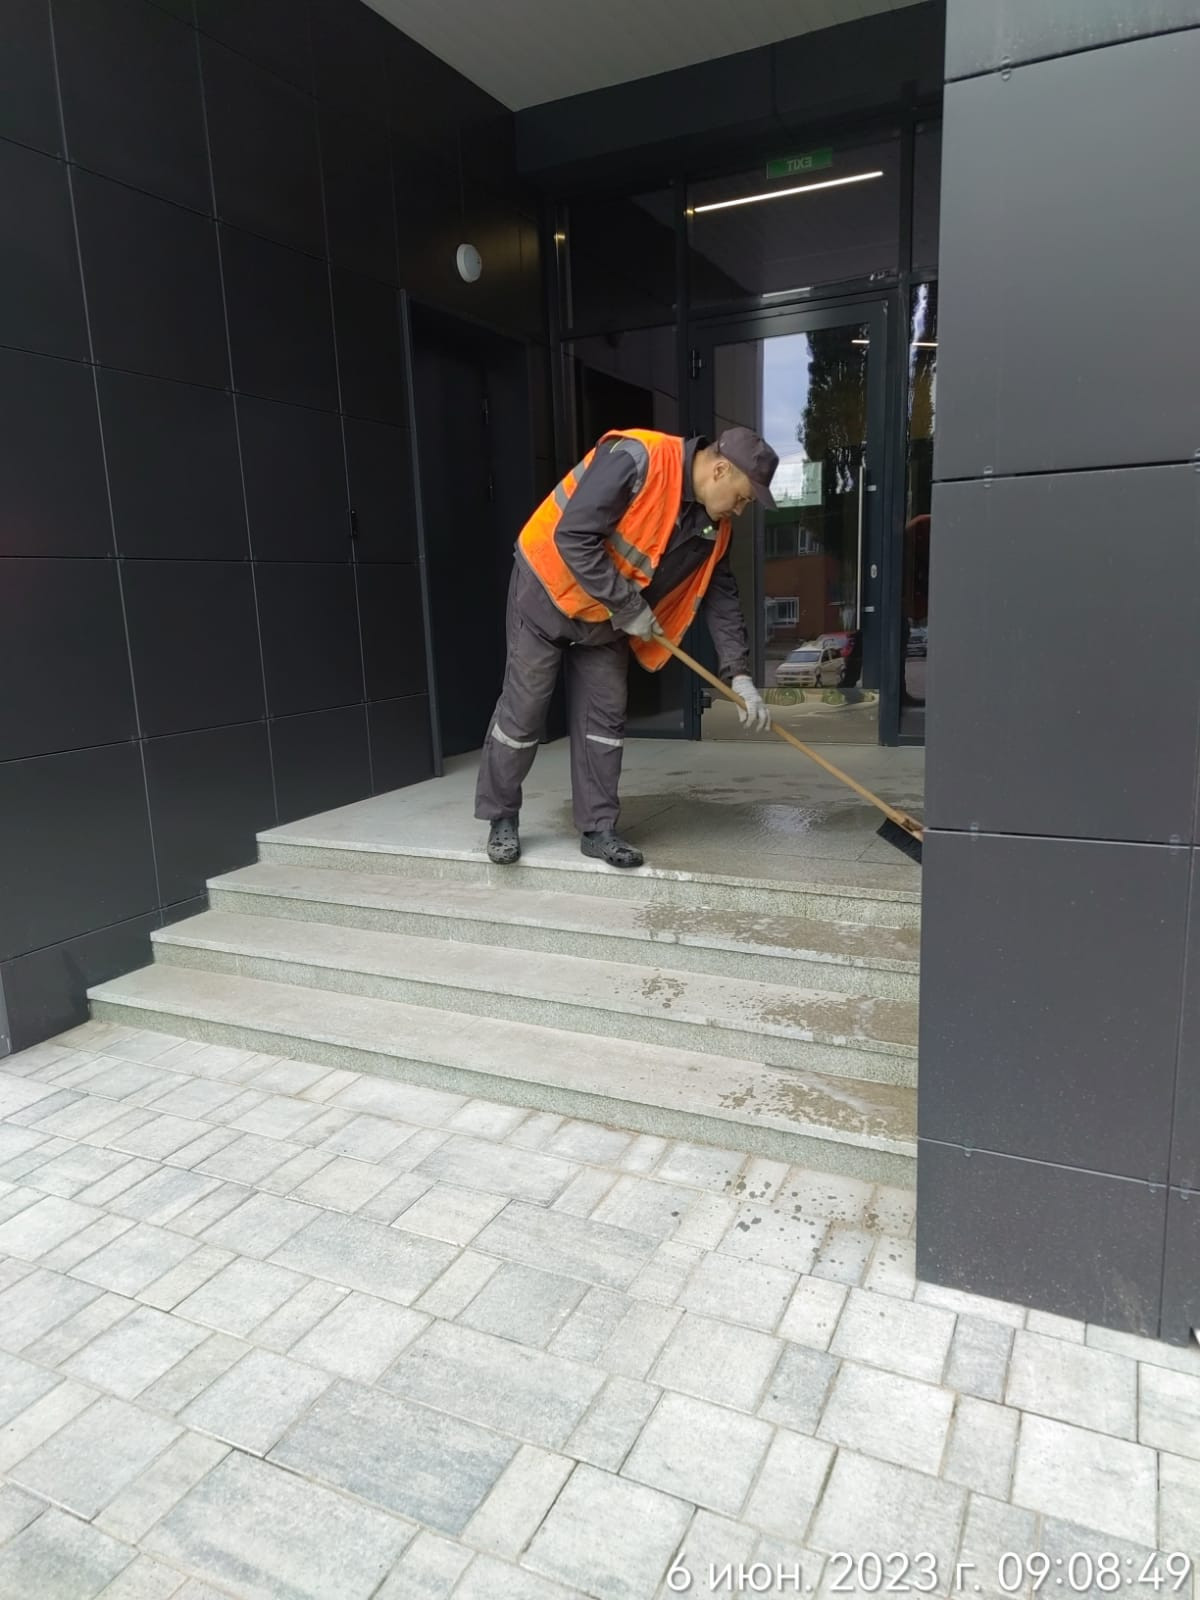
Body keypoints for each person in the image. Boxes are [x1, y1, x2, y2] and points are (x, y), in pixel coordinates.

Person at [474, 425, 778, 868]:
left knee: (605, 718)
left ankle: (598, 828)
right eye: (743, 497)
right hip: (547, 593)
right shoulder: (638, 458)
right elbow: (573, 535)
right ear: (719, 470)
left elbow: (721, 596)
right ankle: (501, 815)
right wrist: (628, 604)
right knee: (524, 711)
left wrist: (740, 674)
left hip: (606, 620)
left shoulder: (714, 528)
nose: (740, 508)